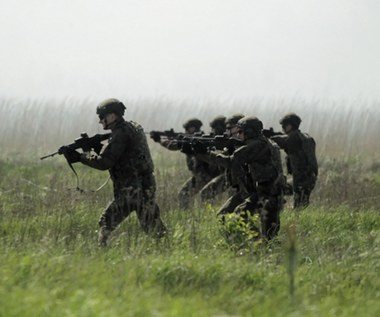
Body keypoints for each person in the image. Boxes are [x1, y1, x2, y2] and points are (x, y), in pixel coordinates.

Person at [61, 98, 166, 246]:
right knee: (152, 225)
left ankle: (101, 253)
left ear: (112, 116)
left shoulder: (120, 134)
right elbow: (124, 154)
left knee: (106, 221)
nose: (100, 121)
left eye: (102, 117)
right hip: (144, 185)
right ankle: (166, 248)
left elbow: (105, 162)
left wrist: (80, 157)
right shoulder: (132, 127)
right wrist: (92, 148)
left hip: (131, 189)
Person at [208, 116, 284, 240]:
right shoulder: (267, 142)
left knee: (243, 215)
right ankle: (258, 246)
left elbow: (232, 162)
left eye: (240, 132)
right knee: (269, 233)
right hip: (269, 192)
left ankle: (256, 244)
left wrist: (208, 153)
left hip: (266, 192)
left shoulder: (256, 145)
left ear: (248, 132)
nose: (238, 135)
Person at [154, 118, 221, 209]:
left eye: (187, 129)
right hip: (203, 174)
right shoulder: (202, 138)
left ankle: (198, 214)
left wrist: (160, 140)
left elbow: (172, 146)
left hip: (203, 174)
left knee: (184, 195)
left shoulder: (194, 140)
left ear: (193, 128)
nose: (185, 131)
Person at [271, 113, 318, 209]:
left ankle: (298, 221)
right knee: (281, 189)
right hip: (309, 176)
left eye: (284, 126)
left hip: (301, 178)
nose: (283, 129)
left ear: (290, 126)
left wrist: (266, 136)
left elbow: (279, 141)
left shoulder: (293, 138)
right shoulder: (306, 137)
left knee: (300, 207)